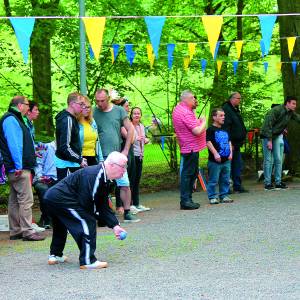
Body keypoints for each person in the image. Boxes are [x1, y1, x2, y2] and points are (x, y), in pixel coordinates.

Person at [44, 152, 128, 270]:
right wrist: (93, 217)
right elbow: (88, 204)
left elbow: (102, 205)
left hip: (52, 197)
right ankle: (88, 260)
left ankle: (55, 255)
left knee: (61, 224)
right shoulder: (95, 175)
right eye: (123, 166)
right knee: (87, 220)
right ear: (112, 165)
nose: (124, 170)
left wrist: (115, 225)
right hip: (60, 199)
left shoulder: (103, 178)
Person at [0, 96, 45, 241]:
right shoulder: (12, 119)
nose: (28, 107)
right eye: (26, 104)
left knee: (14, 199)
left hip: (16, 166)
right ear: (19, 105)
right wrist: (18, 165)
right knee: (26, 199)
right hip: (19, 168)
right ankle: (27, 231)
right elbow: (15, 144)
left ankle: (16, 230)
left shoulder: (15, 119)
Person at [93, 89, 139, 222]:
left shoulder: (119, 110)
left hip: (116, 155)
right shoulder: (93, 112)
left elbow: (130, 129)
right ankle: (103, 214)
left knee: (124, 183)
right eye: (97, 101)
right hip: (100, 156)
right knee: (102, 186)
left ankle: (127, 212)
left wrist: (125, 150)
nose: (99, 103)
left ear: (108, 98)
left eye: (102, 100)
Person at [172, 90, 206, 210]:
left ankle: (188, 199)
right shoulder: (185, 112)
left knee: (191, 173)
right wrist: (204, 121)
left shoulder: (179, 109)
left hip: (187, 146)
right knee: (189, 174)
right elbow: (197, 130)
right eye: (192, 98)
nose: (194, 100)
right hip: (190, 147)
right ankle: (186, 201)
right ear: (185, 99)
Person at [260, 96, 300, 190]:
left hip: (277, 136)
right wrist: (269, 140)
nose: (295, 106)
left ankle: (278, 182)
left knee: (278, 159)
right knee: (268, 160)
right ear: (287, 103)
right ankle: (267, 183)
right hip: (267, 136)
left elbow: (298, 118)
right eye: (293, 103)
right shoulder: (276, 110)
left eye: (295, 104)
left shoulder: (290, 112)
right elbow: (267, 125)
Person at [55, 92, 87, 181]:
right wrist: (79, 160)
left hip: (71, 162)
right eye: (81, 104)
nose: (83, 107)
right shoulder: (67, 119)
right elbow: (65, 147)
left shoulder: (71, 118)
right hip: (67, 164)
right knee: (68, 193)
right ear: (72, 104)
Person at [222, 92, 248, 193]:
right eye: (238, 99)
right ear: (232, 99)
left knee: (237, 165)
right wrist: (230, 143)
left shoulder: (235, 109)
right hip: (231, 144)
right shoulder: (227, 109)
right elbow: (226, 127)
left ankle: (237, 185)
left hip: (237, 143)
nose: (239, 101)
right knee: (228, 166)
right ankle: (227, 188)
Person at [206, 108, 233, 204]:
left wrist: (231, 153)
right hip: (215, 161)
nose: (223, 117)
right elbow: (208, 142)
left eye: (224, 115)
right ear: (214, 117)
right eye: (221, 115)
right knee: (213, 180)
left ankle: (224, 195)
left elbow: (229, 141)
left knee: (225, 179)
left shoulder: (225, 129)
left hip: (226, 160)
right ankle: (212, 197)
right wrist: (215, 153)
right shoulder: (210, 129)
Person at [130, 107, 151, 212]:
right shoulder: (129, 126)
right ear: (131, 115)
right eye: (134, 113)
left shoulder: (141, 126)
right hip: (132, 155)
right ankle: (130, 205)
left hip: (140, 155)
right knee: (132, 180)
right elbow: (128, 139)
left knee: (137, 180)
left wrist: (146, 139)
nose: (137, 115)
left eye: (138, 113)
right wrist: (136, 138)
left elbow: (145, 138)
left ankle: (137, 203)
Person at [33, 141, 57, 229]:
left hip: (58, 179)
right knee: (43, 189)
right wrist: (40, 176)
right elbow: (38, 163)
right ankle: (47, 219)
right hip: (43, 178)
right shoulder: (47, 147)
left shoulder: (67, 150)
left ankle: (55, 219)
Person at [78, 96, 103, 166]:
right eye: (84, 107)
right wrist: (79, 159)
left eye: (88, 107)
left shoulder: (92, 121)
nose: (87, 109)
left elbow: (97, 142)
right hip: (80, 159)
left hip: (93, 157)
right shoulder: (75, 122)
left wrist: (101, 159)